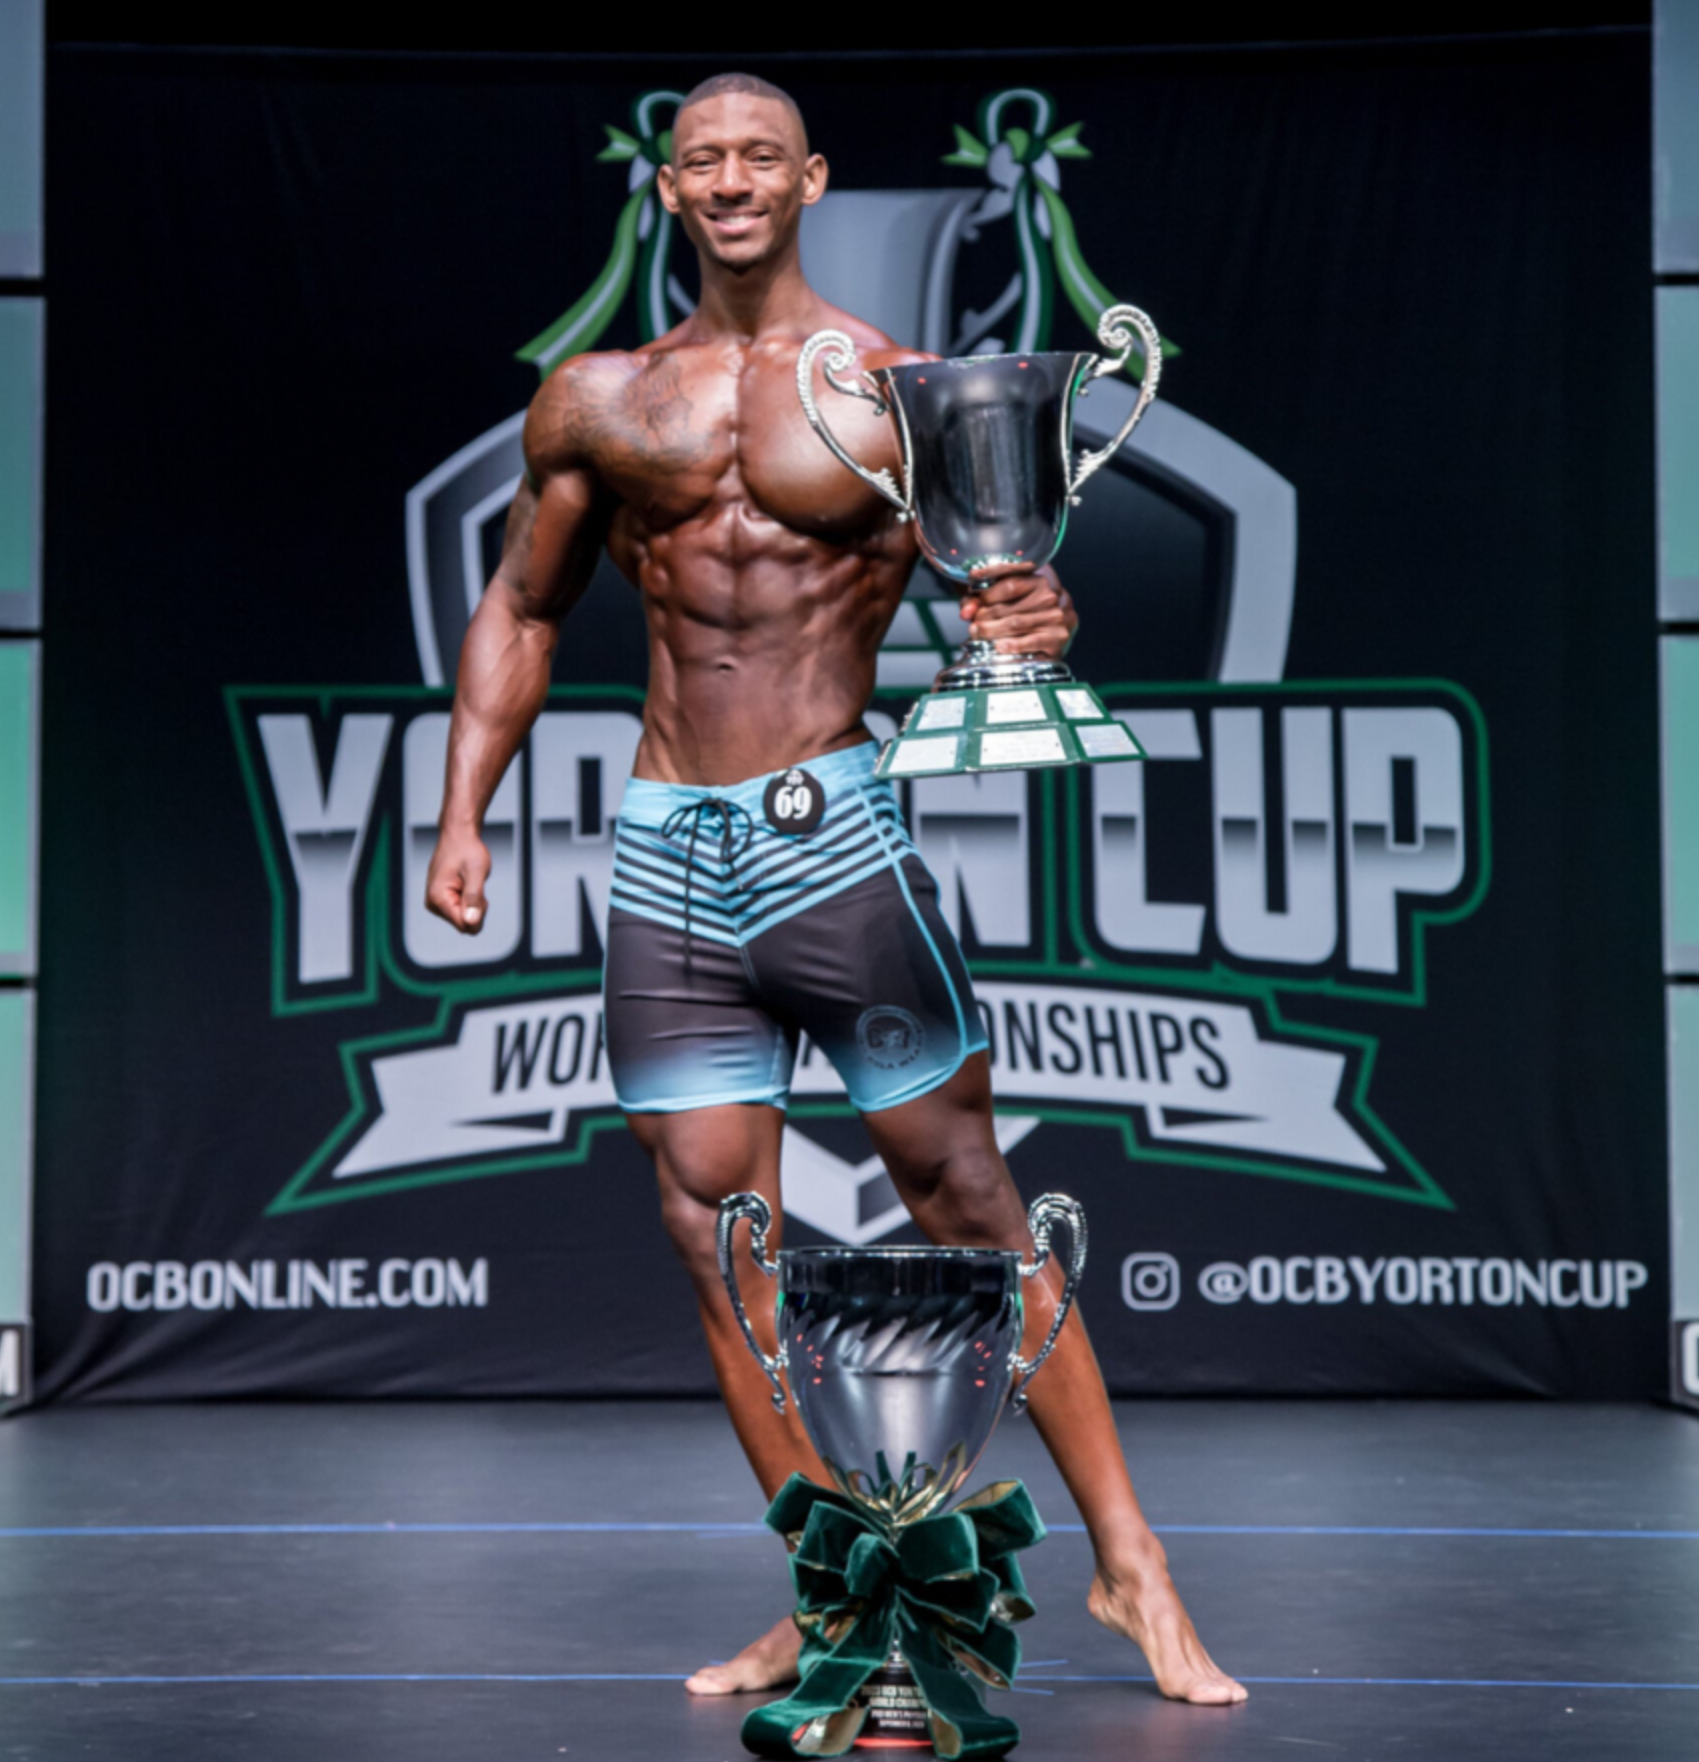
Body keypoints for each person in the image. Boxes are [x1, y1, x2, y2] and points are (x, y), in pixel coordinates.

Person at [425, 71, 1245, 1708]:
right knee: (713, 1223)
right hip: (667, 847)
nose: (730, 180)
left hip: (832, 837)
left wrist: (1033, 619)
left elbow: (999, 573)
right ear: (669, 190)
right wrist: (463, 813)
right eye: (701, 161)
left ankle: (1129, 1561)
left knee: (963, 1190)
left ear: (808, 181)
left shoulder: (892, 390)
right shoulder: (597, 400)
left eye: (758, 158)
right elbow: (521, 605)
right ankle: (827, 1585)